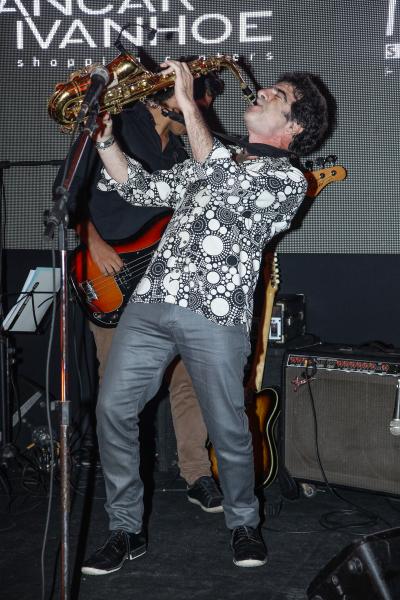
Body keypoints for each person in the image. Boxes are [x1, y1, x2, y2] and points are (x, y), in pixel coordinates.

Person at [82, 61, 332, 574]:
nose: (262, 92)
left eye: (278, 94)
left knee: (228, 426)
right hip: (150, 303)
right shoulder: (213, 156)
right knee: (112, 410)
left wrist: (187, 103)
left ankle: (244, 522)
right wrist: (105, 138)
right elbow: (141, 189)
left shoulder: (288, 180)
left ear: (295, 125)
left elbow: (222, 176)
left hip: (214, 316)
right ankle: (125, 529)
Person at [55, 71, 225, 512]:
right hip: (109, 279)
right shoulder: (120, 128)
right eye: (196, 103)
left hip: (166, 287)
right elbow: (71, 194)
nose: (201, 114)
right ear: (168, 97)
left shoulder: (184, 152)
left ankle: (197, 475)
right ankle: (123, 495)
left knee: (192, 378)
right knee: (120, 392)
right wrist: (92, 242)